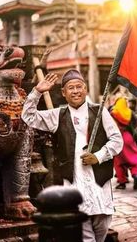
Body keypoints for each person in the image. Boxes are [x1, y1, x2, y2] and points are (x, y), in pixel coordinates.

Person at [21, 70, 123, 242]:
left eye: (79, 87)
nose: (75, 91)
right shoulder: (57, 115)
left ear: (85, 89)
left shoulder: (99, 112)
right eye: (70, 88)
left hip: (100, 184)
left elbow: (117, 141)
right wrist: (37, 92)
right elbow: (28, 116)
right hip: (73, 183)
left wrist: (98, 156)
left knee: (102, 227)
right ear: (63, 93)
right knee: (85, 235)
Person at [110, 97, 137, 190]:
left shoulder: (113, 113)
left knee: (119, 162)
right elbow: (135, 125)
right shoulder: (130, 113)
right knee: (133, 159)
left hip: (117, 138)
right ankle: (136, 174)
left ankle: (122, 182)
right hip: (128, 137)